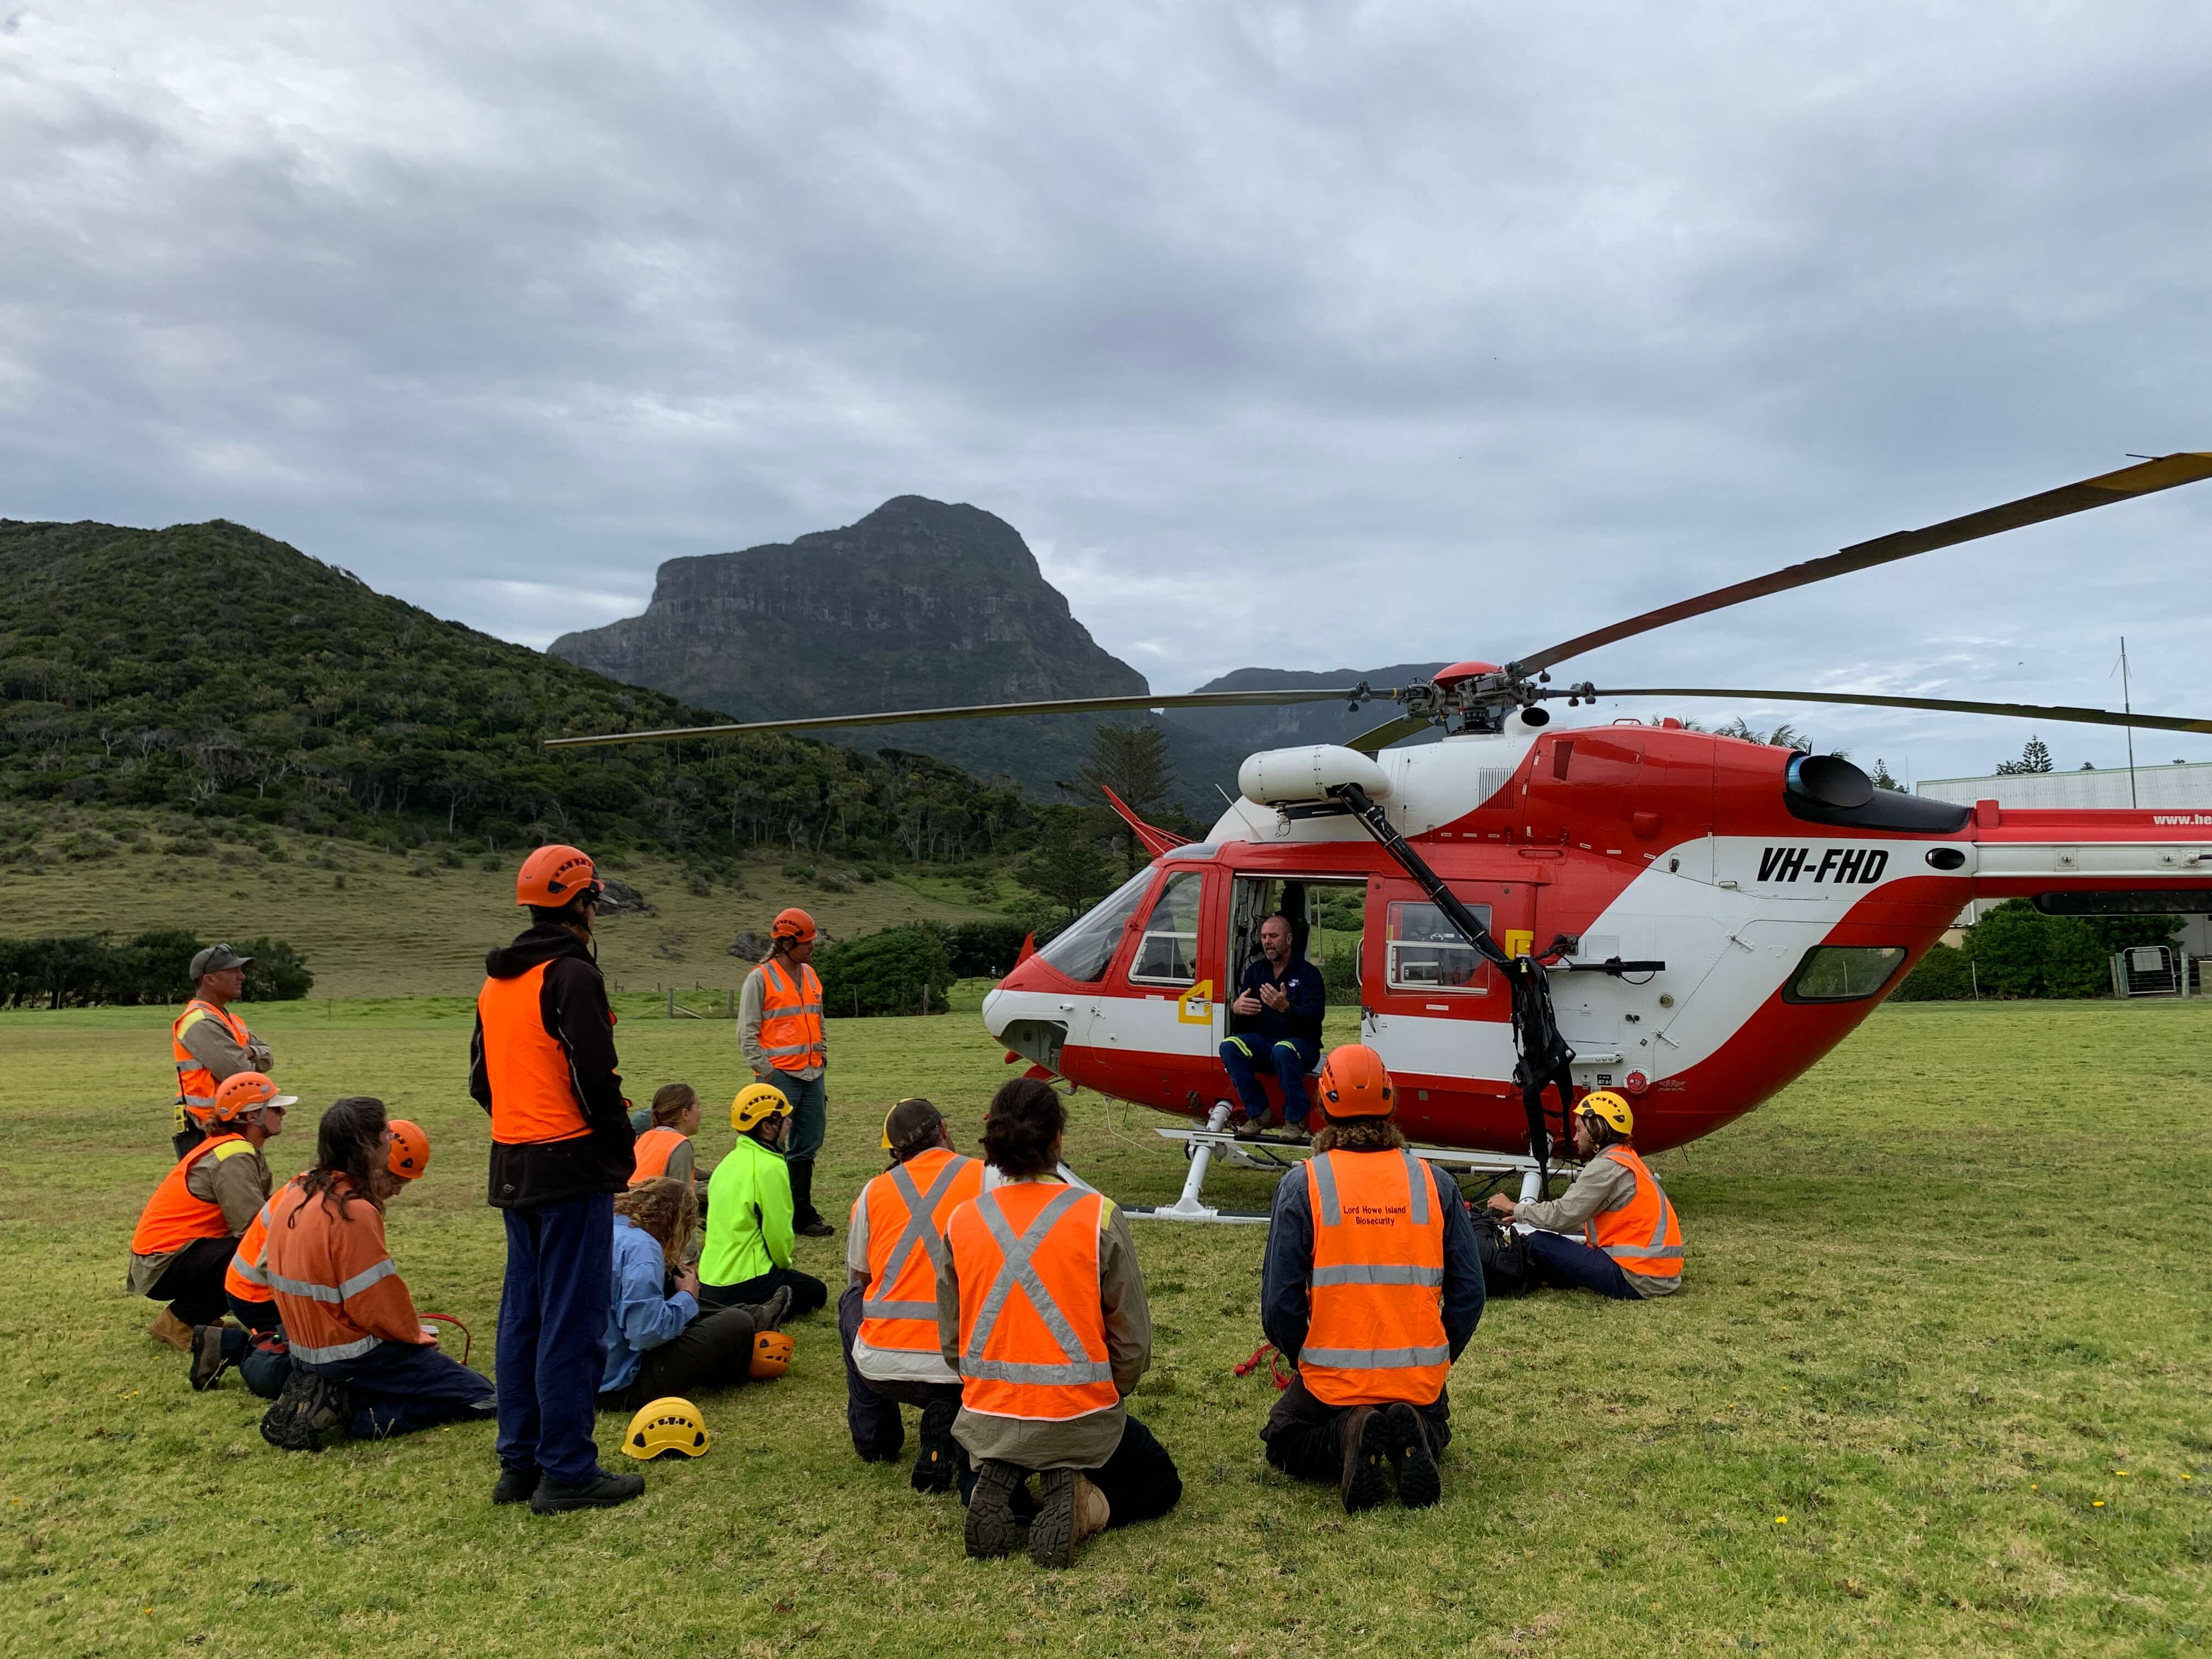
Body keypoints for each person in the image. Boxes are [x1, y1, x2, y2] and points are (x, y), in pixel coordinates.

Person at [938, 1078, 1181, 1568]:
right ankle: (1083, 1501)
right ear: (1058, 1140)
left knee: (973, 1460)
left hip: (991, 1416)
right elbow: (1133, 1347)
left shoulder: (961, 1222)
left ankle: (999, 1488)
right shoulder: (1099, 1217)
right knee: (1160, 1480)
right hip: (1079, 1419)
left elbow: (952, 1344)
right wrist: (1112, 1391)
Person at [469, 843, 642, 1513]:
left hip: (514, 1162)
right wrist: (614, 1147)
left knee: (524, 1316)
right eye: (594, 900)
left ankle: (519, 1463)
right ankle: (567, 1470)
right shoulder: (570, 975)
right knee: (573, 1322)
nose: (596, 910)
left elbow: (482, 1079)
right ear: (578, 904)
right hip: (569, 1163)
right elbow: (595, 1077)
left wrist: (521, 1120)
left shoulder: (496, 980)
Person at [1260, 1044, 1485, 1512]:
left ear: (1323, 1106)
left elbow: (1279, 1305)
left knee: (1283, 1438)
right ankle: (1415, 1432)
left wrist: (1305, 1359)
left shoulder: (1303, 1185)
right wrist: (1438, 1359)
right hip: (1416, 1378)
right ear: (1392, 1102)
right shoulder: (1435, 1183)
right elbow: (1470, 1295)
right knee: (1436, 1424)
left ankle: (1349, 1432)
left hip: (1332, 1382)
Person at [258, 1100, 499, 1452]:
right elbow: (377, 1305)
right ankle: (351, 1414)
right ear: (366, 1146)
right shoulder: (354, 1213)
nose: (392, 1136)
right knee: (483, 1397)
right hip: (351, 1355)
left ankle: (334, 1394)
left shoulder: (298, 1190)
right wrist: (418, 1341)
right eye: (387, 1132)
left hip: (302, 1349)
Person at [195, 1119, 432, 1397]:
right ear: (374, 1162)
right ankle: (235, 1346)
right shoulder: (323, 1198)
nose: (398, 1191)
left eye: (405, 1183)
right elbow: (275, 1265)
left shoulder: (332, 1187)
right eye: (395, 1180)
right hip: (259, 1297)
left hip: (269, 1289)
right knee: (314, 1374)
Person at [840, 1098, 983, 1490]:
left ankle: (876, 1440)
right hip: (968, 1364)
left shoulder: (873, 1193)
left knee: (851, 1299)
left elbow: (859, 1275)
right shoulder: (986, 1178)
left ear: (895, 1152)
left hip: (886, 1368)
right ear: (945, 1131)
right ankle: (953, 1415)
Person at [597, 1177, 793, 1415]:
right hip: (620, 1386)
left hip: (579, 1378)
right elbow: (644, 1333)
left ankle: (752, 1314)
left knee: (672, 1279)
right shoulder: (643, 1249)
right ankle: (748, 1323)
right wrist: (688, 1296)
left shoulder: (604, 1228)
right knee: (736, 1324)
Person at [128, 1070, 291, 1351]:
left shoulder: (236, 1148)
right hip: (162, 1266)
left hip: (163, 1260)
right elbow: (253, 1226)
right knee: (249, 1253)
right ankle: (179, 1322)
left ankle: (196, 1318)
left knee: (249, 1249)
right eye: (275, 1107)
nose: (283, 1113)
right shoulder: (234, 1155)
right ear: (252, 1116)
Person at [1485, 1091, 1683, 1300]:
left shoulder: (1606, 1166)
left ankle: (1495, 1274)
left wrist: (1514, 1207)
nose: (1576, 1137)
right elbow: (1584, 1220)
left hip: (1636, 1277)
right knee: (1557, 1250)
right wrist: (1523, 1215)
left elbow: (1563, 1215)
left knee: (1538, 1243)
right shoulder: (1627, 1159)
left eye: (1579, 1129)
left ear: (1596, 1129)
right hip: (1659, 1275)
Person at [739, 907, 833, 1238]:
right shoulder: (760, 978)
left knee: (807, 1144)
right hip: (778, 1077)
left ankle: (801, 1214)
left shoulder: (810, 974)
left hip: (812, 1073)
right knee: (769, 1145)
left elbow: (817, 1018)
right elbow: (747, 1031)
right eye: (807, 943)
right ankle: (768, 1214)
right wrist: (766, 1071)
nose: (812, 948)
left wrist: (821, 1053)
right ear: (787, 942)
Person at [698, 1084, 830, 1317]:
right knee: (817, 1293)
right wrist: (784, 1267)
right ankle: (753, 1310)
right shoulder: (771, 1167)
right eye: (785, 1119)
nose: (789, 1123)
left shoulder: (727, 1162)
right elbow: (778, 1233)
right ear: (768, 1127)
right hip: (746, 1281)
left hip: (709, 1282)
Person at [1222, 915, 1325, 1139]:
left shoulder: (1309, 974)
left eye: (1274, 936)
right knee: (1230, 1046)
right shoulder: (1256, 972)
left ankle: (1295, 1120)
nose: (1268, 941)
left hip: (1303, 1045)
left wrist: (1286, 1008)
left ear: (1289, 939)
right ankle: (1259, 1113)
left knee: (1284, 1050)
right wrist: (1237, 1010)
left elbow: (1314, 1019)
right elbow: (1245, 1023)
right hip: (1266, 1043)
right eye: (1264, 936)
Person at [170, 943, 275, 1158]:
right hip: (209, 1131)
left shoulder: (229, 1020)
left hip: (234, 1125)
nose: (242, 977)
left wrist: (250, 1052)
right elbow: (242, 1074)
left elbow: (268, 1057)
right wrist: (250, 1056)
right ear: (210, 979)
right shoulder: (199, 1023)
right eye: (234, 971)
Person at [628, 1084, 704, 1199]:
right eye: (698, 1107)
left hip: (625, 1208)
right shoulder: (680, 1144)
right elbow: (682, 1201)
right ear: (685, 1114)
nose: (701, 1113)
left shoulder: (647, 1137)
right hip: (648, 1213)